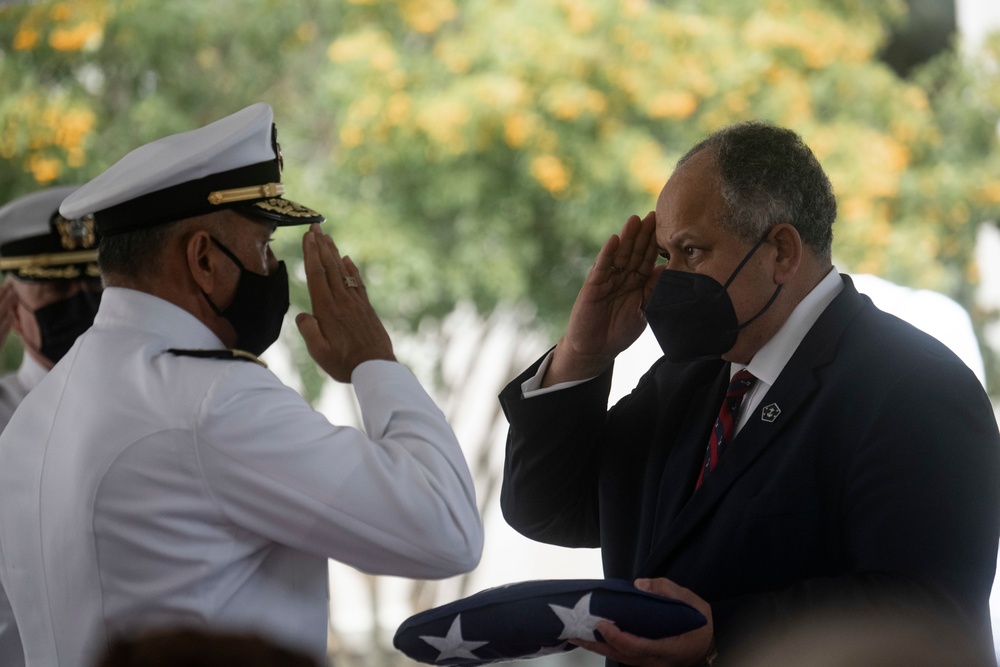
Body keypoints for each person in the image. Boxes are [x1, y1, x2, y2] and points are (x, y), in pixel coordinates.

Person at [499, 121, 1000, 666]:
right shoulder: (688, 377)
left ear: (781, 252)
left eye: (692, 251)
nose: (670, 280)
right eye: (667, 257)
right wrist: (583, 352)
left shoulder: (915, 387)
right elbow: (549, 509)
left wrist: (722, 634)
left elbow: (927, 615)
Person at [0, 102, 483, 667]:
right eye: (263, 246)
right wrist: (375, 364)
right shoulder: (211, 402)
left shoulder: (38, 410)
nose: (270, 269)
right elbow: (446, 529)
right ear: (203, 258)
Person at [0, 185, 102, 430]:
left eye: (96, 282)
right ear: (13, 310)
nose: (83, 298)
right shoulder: (6, 414)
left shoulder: (150, 393)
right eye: (58, 287)